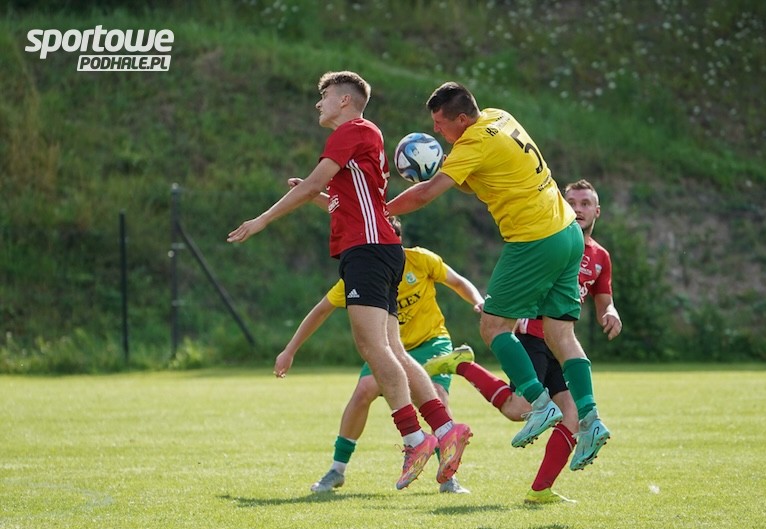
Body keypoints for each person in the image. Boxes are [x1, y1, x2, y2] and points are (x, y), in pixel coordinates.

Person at [227, 71, 471, 490]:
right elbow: (348, 200)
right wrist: (319, 196)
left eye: (323, 96)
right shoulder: (363, 139)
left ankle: (415, 439)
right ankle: (445, 428)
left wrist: (262, 219)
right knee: (392, 348)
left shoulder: (352, 130)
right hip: (381, 247)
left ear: (344, 100)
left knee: (372, 347)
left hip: (368, 250)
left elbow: (313, 184)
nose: (318, 104)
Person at [386, 81, 610, 476]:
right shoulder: (498, 117)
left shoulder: (473, 143)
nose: (436, 130)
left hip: (535, 239)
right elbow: (480, 179)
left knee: (493, 326)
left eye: (440, 123)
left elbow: (425, 195)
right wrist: (450, 168)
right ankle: (591, 420)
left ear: (461, 119)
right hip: (569, 234)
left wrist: (381, 210)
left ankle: (538, 403)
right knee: (561, 335)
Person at [424, 179, 622, 504]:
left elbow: (604, 299)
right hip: (532, 338)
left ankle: (540, 491)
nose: (578, 209)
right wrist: (502, 310)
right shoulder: (549, 242)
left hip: (562, 345)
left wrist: (610, 312)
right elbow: (522, 283)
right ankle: (463, 366)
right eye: (571, 202)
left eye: (585, 203)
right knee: (519, 411)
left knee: (572, 415)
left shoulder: (600, 256)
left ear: (597, 211)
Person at [275, 216, 483, 494]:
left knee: (436, 394)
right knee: (363, 391)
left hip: (430, 341)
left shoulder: (420, 260)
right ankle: (336, 470)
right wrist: (290, 350)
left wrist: (479, 301)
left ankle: (448, 477)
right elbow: (321, 310)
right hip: (387, 348)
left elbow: (457, 281)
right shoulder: (364, 272)